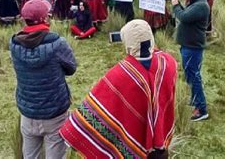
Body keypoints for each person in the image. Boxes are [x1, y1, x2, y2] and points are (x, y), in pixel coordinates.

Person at [60, 19, 177, 158]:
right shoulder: (168, 63)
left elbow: (96, 108)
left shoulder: (119, 75)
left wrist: (73, 127)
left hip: (133, 139)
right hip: (161, 146)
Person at [10, 0, 76, 158]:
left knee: (29, 155)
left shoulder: (14, 43)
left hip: (28, 110)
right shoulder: (58, 43)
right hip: (55, 112)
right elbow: (71, 68)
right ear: (46, 19)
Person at [172, 0, 210, 121]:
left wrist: (176, 6)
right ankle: (195, 100)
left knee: (194, 77)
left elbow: (183, 17)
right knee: (191, 75)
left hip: (192, 47)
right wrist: (179, 5)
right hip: (189, 45)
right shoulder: (197, 4)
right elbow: (186, 14)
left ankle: (201, 109)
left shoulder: (201, 6)